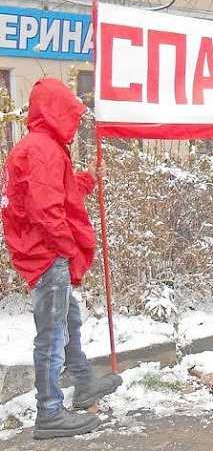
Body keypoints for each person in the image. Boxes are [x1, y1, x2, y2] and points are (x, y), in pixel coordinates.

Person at [1, 78, 122, 439]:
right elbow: (46, 210)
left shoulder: (43, 147)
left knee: (68, 320)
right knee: (52, 335)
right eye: (69, 112)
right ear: (55, 111)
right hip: (47, 252)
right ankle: (50, 412)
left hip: (44, 249)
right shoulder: (41, 150)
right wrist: (68, 248)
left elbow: (61, 191)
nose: (73, 121)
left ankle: (83, 383)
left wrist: (88, 180)